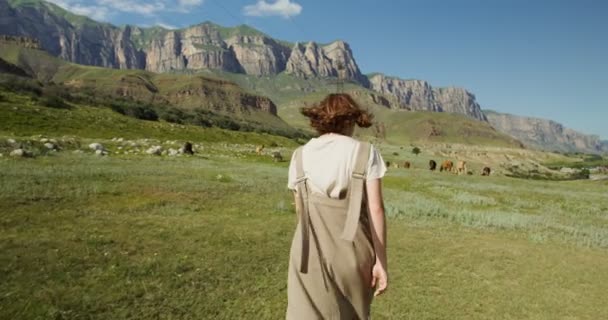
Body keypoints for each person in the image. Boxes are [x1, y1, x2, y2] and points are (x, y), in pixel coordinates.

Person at [286, 93, 388, 320]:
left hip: (306, 253)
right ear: (350, 120)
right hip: (353, 254)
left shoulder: (299, 155)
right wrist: (381, 261)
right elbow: (376, 209)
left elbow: (300, 211)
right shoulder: (366, 152)